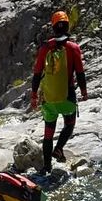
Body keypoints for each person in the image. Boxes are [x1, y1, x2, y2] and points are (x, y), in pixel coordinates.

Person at [31, 11, 88, 174]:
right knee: (69, 125)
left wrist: (34, 96)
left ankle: (46, 167)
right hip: (67, 97)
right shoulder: (73, 48)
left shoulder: (44, 48)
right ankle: (59, 149)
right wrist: (84, 92)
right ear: (67, 26)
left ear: (53, 27)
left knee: (48, 132)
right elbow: (80, 73)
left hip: (48, 99)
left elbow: (36, 74)